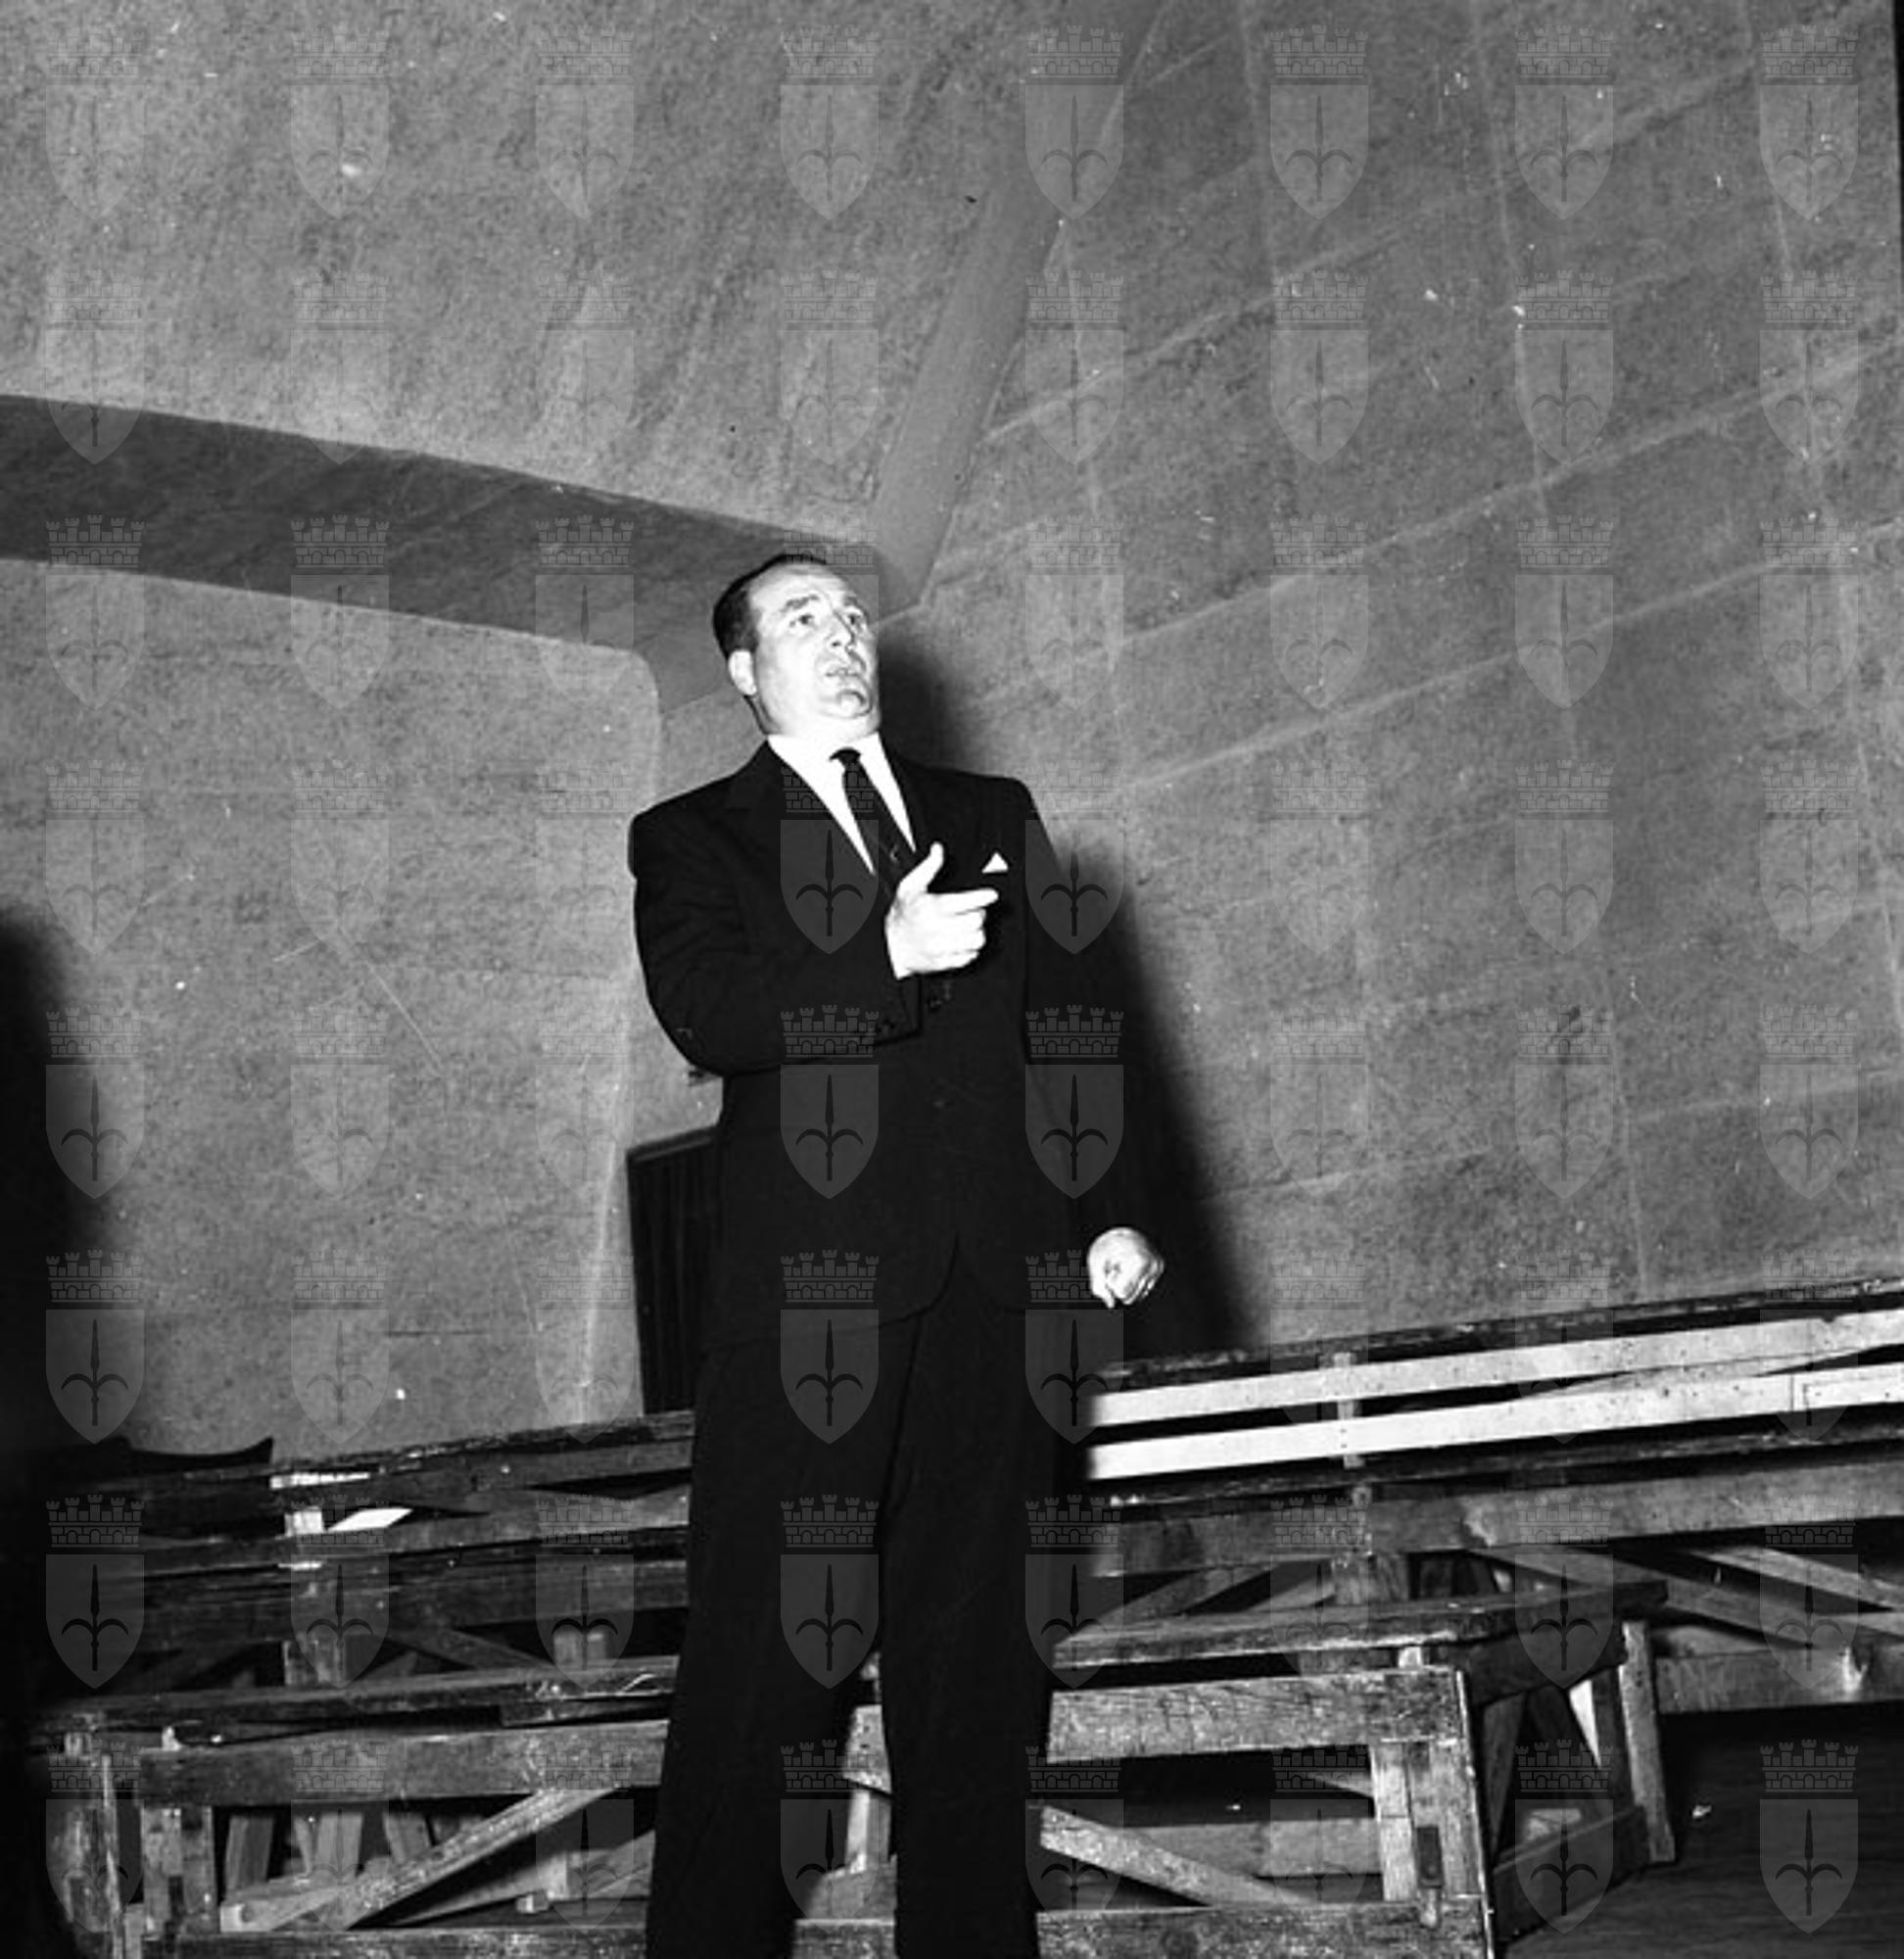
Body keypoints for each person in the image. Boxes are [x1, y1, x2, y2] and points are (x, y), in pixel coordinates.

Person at [626, 552, 1163, 1958]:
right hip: (812, 1314)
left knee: (981, 1675)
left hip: (999, 1298)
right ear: (744, 674)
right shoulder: (692, 838)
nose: (841, 635)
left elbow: (1071, 1025)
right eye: (802, 619)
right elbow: (712, 1014)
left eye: (853, 614)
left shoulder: (991, 813)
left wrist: (1109, 1209)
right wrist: (890, 955)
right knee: (765, 1669)